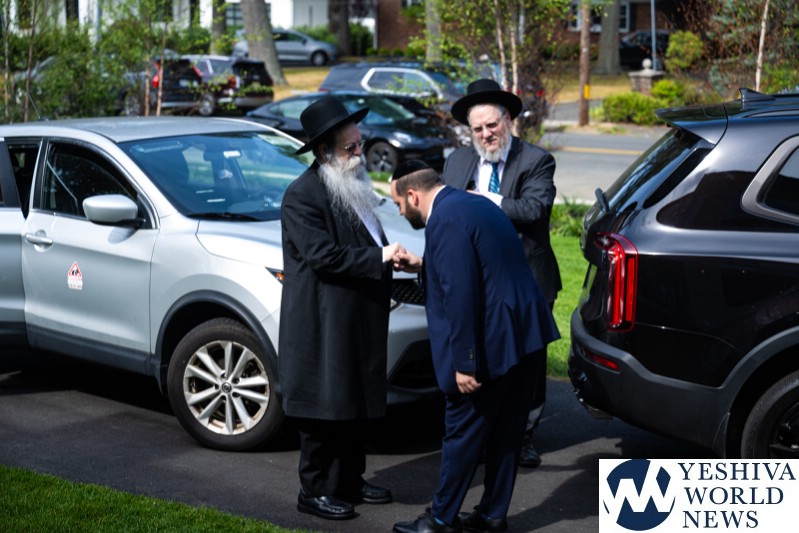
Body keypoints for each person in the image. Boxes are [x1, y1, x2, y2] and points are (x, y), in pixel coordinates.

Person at [389, 160, 560, 533]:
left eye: (399, 204)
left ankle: (439, 519)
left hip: (492, 343)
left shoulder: (443, 220)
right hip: (526, 335)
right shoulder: (474, 203)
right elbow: (479, 264)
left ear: (413, 195)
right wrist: (423, 265)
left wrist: (465, 362)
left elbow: (461, 295)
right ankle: (492, 515)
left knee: (462, 432)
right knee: (507, 433)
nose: (400, 212)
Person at [278, 96, 404, 521]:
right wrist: (381, 257)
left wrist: (388, 257)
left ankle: (350, 478)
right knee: (323, 407)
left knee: (355, 402)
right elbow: (323, 256)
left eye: (359, 144)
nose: (359, 154)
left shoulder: (350, 184)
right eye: (350, 148)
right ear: (324, 151)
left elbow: (368, 239)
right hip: (322, 321)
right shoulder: (302, 195)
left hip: (357, 316)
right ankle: (314, 490)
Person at [441, 78, 562, 469]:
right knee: (484, 359)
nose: (485, 134)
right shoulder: (457, 161)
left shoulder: (536, 160)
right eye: (477, 129)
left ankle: (523, 435)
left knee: (528, 362)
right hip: (478, 281)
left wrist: (485, 201)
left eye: (491, 125)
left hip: (527, 279)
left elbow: (533, 210)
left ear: (507, 119)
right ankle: (486, 432)